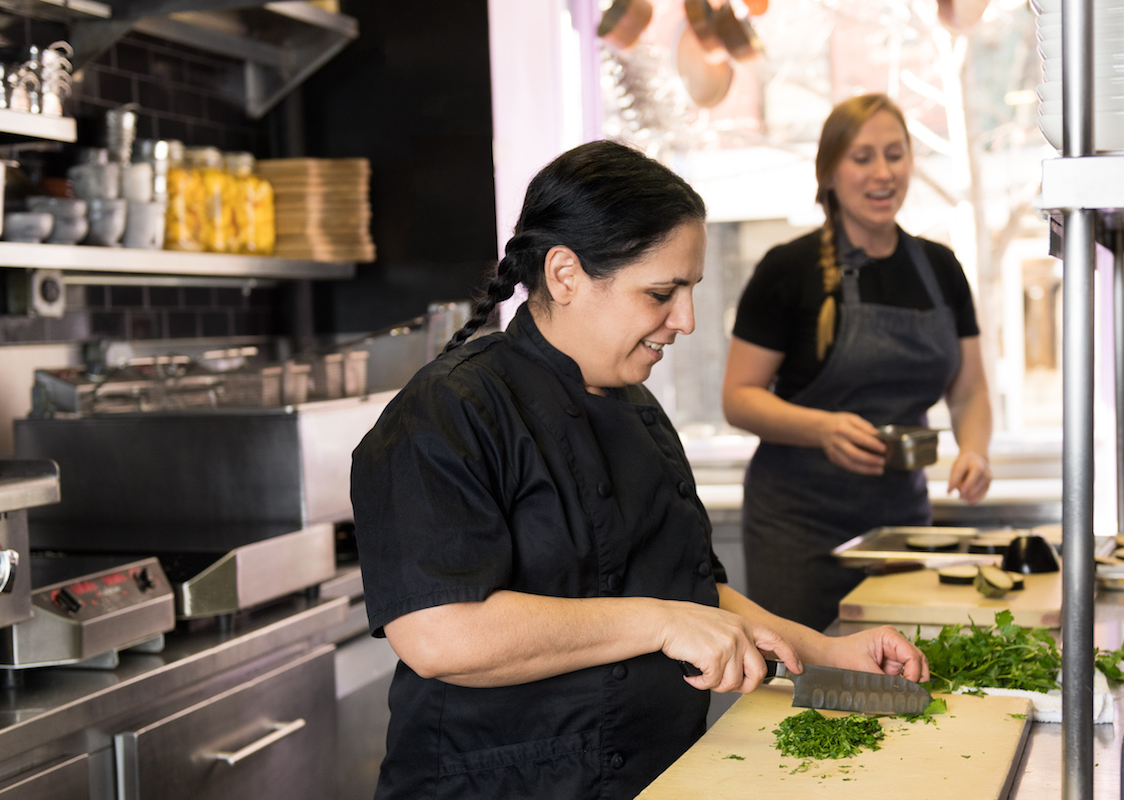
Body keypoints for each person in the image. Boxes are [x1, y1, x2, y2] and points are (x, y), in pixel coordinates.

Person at [351, 139, 929, 800]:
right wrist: (658, 621)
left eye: (689, 291)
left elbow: (687, 591)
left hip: (654, 777)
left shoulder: (638, 410)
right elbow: (438, 634)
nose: (684, 320)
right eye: (661, 292)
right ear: (565, 275)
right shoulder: (447, 411)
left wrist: (827, 654)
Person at [722, 93, 994, 632]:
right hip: (797, 526)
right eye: (862, 156)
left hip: (901, 523)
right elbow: (739, 398)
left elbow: (969, 391)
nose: (883, 172)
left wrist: (975, 451)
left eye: (895, 154)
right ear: (829, 171)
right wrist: (823, 429)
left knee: (903, 672)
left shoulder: (940, 268)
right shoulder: (787, 269)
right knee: (804, 687)